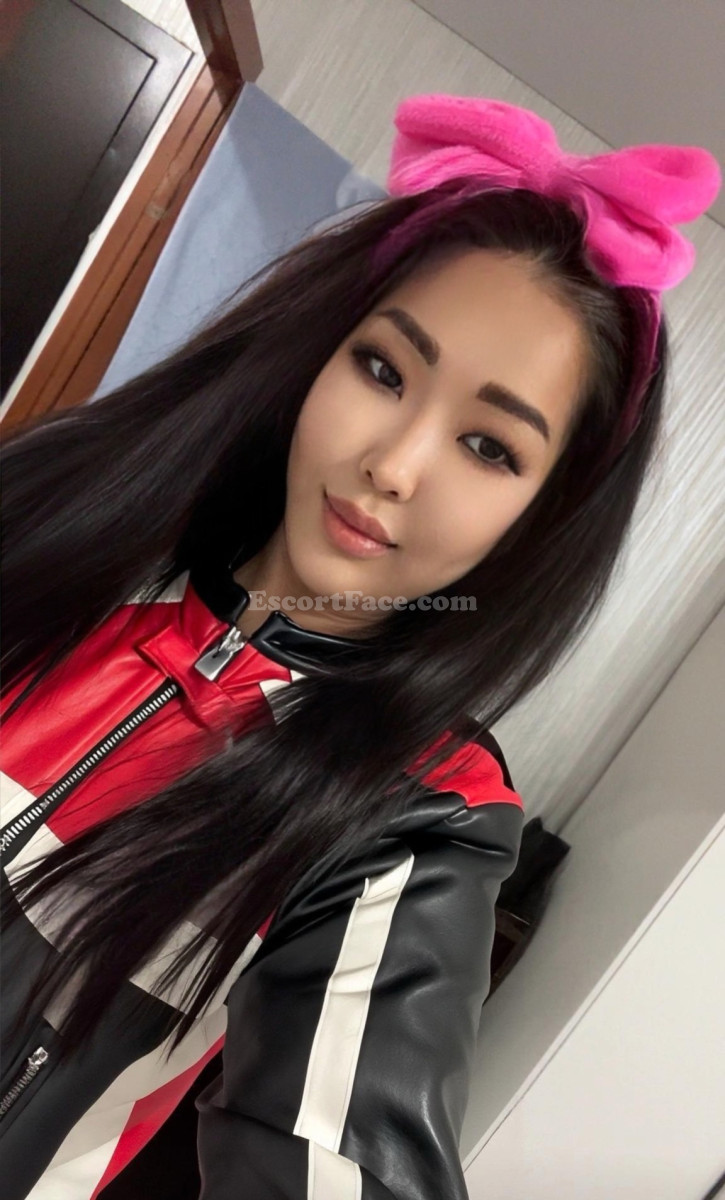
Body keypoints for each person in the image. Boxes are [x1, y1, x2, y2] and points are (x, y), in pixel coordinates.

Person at [0, 93, 719, 1200]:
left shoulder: (419, 821)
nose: (394, 463)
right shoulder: (60, 534)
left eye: (487, 446)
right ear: (318, 355)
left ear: (539, 516)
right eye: (383, 371)